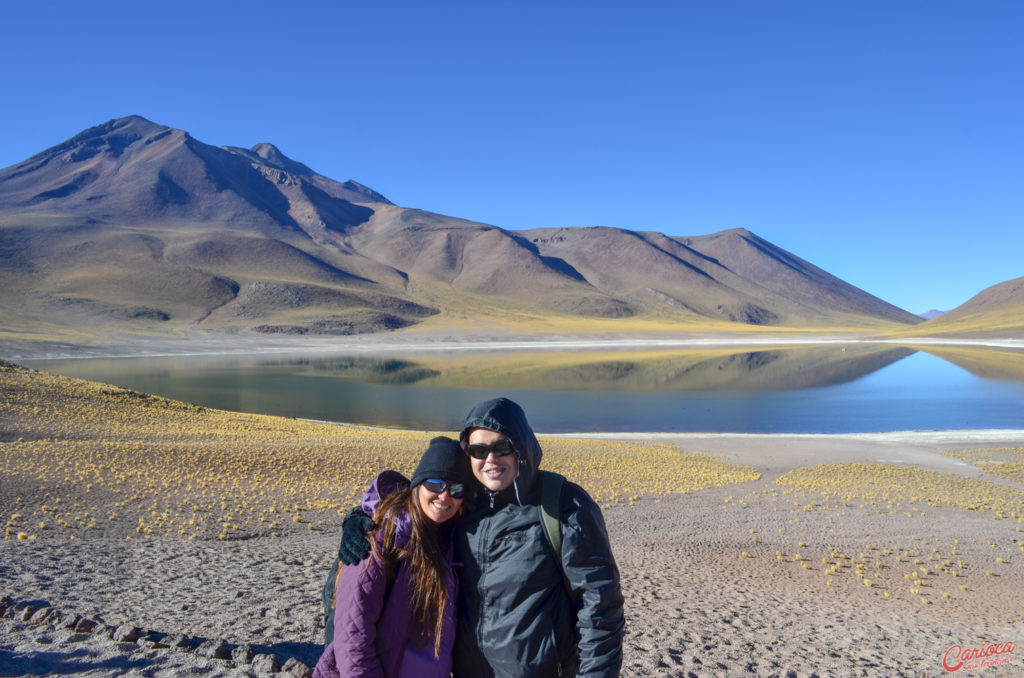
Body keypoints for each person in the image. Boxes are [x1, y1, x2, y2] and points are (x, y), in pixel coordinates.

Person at [339, 397, 624, 678]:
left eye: (502, 446)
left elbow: (599, 607)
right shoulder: (466, 505)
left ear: (521, 448)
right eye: (478, 450)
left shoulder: (562, 505)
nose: (491, 459)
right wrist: (358, 519)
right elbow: (418, 505)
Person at [314, 436, 470, 678]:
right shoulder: (382, 536)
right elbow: (353, 633)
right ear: (418, 484)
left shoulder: (449, 538)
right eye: (436, 483)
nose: (445, 495)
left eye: (456, 489)